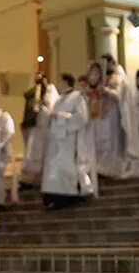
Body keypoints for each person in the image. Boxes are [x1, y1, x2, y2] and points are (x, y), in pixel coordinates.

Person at [41, 73, 93, 208]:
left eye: (60, 81)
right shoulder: (59, 100)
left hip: (70, 139)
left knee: (67, 167)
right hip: (57, 140)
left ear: (66, 82)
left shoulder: (77, 97)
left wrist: (60, 116)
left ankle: (70, 195)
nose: (58, 84)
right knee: (54, 167)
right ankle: (55, 197)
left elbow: (81, 118)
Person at [19, 76, 55, 188]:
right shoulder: (34, 93)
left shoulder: (50, 92)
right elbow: (31, 109)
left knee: (42, 154)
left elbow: (50, 109)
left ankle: (41, 179)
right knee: (32, 153)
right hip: (36, 129)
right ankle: (30, 179)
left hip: (45, 129)